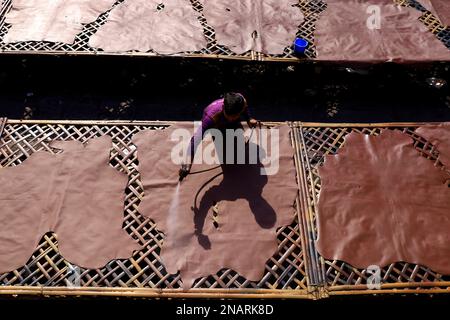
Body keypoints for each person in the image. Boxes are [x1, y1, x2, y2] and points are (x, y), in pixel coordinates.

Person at [179, 92, 259, 180]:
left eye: (234, 116)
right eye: (228, 116)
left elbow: (245, 108)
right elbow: (195, 140)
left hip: (232, 124)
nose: (231, 118)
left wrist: (249, 119)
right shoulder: (211, 117)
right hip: (217, 124)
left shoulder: (242, 101)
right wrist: (187, 162)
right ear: (224, 108)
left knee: (238, 144)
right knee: (224, 149)